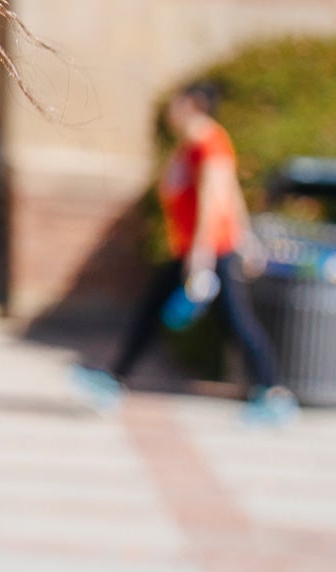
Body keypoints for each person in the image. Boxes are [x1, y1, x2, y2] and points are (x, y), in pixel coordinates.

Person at [73, 83, 295, 424]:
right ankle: (114, 378)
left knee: (236, 321)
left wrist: (205, 254)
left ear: (194, 104)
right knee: (152, 311)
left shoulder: (209, 144)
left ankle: (274, 392)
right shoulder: (190, 145)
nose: (171, 108)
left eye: (178, 101)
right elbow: (229, 193)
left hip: (210, 249)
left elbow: (215, 199)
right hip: (192, 249)